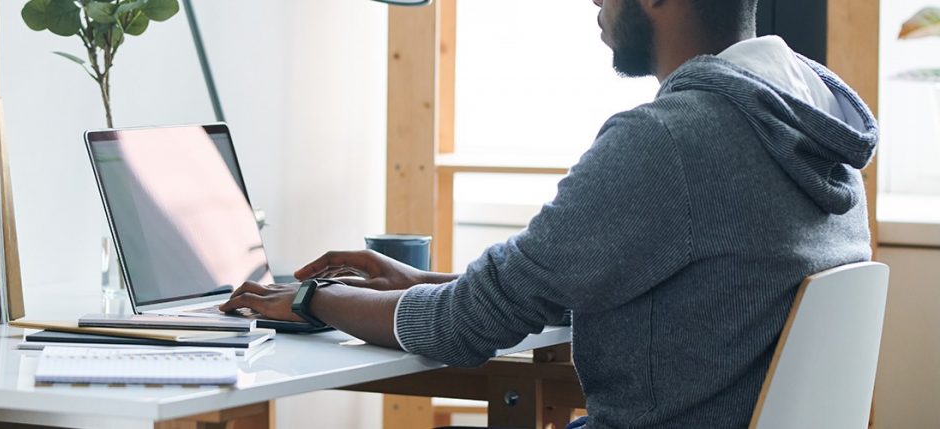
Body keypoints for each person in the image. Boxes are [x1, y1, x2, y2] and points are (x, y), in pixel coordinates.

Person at [220, 0, 879, 427]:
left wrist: (310, 296)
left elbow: (463, 327)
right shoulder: (808, 121)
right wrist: (415, 281)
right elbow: (682, 295)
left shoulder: (671, 140)